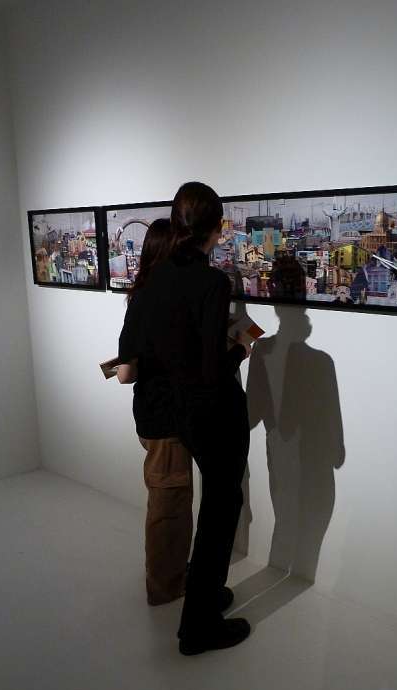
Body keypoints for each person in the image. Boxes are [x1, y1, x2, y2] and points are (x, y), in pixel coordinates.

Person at [142, 182, 253, 655]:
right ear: (216, 227)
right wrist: (240, 349)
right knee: (220, 512)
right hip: (216, 413)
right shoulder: (212, 283)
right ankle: (198, 626)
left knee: (212, 509)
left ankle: (206, 597)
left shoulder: (158, 276)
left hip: (182, 413)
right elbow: (211, 369)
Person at [117, 218, 194, 606]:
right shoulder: (165, 301)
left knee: (171, 501)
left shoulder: (139, 298)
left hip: (151, 415)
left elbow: (125, 373)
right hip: (167, 419)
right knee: (169, 506)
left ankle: (172, 572)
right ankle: (164, 586)